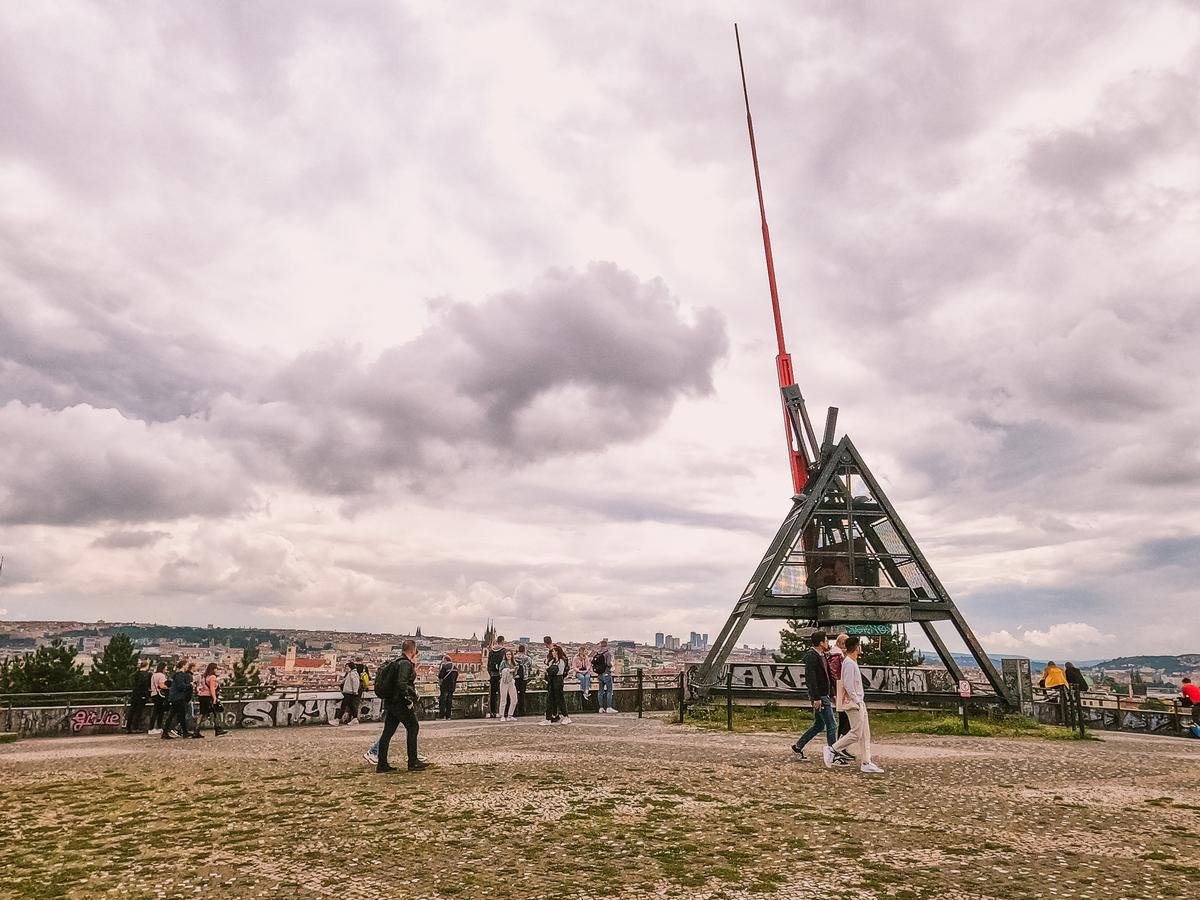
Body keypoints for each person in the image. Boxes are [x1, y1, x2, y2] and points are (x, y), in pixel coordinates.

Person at [826, 636, 884, 774]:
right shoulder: (849, 663)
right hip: (853, 703)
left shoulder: (851, 662)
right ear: (856, 647)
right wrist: (856, 700)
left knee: (865, 734)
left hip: (858, 702)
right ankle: (832, 749)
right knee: (856, 733)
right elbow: (848, 684)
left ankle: (866, 762)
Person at [376, 640, 429, 773]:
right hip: (400, 703)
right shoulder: (405, 664)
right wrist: (411, 698)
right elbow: (402, 684)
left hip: (391, 702)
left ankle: (382, 764)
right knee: (413, 727)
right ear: (412, 650)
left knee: (387, 733)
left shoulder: (397, 662)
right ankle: (413, 762)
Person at [790, 632, 836, 761]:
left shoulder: (820, 656)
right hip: (820, 696)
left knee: (819, 725)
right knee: (832, 725)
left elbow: (826, 677)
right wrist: (816, 697)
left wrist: (831, 693)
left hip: (823, 695)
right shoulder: (812, 657)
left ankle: (798, 746)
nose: (827, 643)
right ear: (821, 643)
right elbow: (811, 679)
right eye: (826, 641)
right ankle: (833, 753)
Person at [163, 661, 198, 740]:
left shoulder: (177, 675)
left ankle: (166, 732)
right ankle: (184, 732)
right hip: (178, 697)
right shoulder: (180, 675)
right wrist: (190, 685)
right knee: (181, 715)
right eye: (186, 665)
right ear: (183, 666)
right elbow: (181, 687)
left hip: (175, 697)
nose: (187, 667)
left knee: (173, 715)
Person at [827, 633, 852, 739]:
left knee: (844, 718)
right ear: (841, 644)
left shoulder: (835, 655)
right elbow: (835, 674)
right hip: (840, 690)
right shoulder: (837, 656)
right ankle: (841, 744)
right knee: (846, 719)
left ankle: (840, 744)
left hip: (839, 690)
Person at [540, 644, 571, 726]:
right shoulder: (552, 661)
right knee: (550, 699)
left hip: (557, 680)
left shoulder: (561, 661)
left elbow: (557, 671)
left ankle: (566, 716)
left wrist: (548, 670)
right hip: (552, 680)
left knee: (559, 698)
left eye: (553, 651)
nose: (552, 652)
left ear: (557, 652)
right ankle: (548, 718)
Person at [195, 663, 229, 737]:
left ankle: (196, 730)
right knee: (215, 713)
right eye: (216, 668)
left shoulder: (204, 676)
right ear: (213, 669)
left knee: (202, 713)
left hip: (202, 696)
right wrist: (214, 698)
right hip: (208, 697)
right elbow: (212, 689)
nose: (217, 670)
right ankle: (218, 730)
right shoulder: (212, 677)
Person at [126, 660, 152, 734]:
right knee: (138, 711)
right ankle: (135, 727)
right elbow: (146, 685)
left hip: (135, 695)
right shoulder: (146, 675)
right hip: (142, 695)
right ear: (147, 666)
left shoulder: (135, 674)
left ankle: (128, 727)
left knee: (132, 710)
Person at [592, 639, 616, 713]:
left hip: (600, 674)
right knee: (609, 690)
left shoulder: (598, 652)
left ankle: (601, 708)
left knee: (600, 691)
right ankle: (608, 707)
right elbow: (608, 663)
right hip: (606, 673)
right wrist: (612, 665)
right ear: (607, 645)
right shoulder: (607, 653)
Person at [486, 636, 507, 719]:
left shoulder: (491, 651)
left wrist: (490, 673)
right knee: (502, 694)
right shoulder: (503, 651)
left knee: (493, 694)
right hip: (501, 675)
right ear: (502, 641)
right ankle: (502, 712)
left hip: (493, 675)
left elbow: (488, 665)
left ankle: (493, 712)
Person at [148, 661, 169, 735]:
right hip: (159, 695)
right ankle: (156, 727)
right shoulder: (161, 675)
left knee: (156, 711)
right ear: (163, 668)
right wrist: (168, 687)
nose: (166, 669)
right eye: (165, 668)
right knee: (159, 712)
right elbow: (162, 685)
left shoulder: (154, 675)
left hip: (154, 694)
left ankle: (152, 728)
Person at [498, 650, 519, 721]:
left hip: (511, 681)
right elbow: (500, 672)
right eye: (507, 654)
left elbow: (515, 673)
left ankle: (510, 715)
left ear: (512, 655)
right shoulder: (503, 662)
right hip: (504, 681)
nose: (508, 655)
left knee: (514, 699)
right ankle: (502, 715)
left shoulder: (514, 663)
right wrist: (509, 670)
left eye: (510, 654)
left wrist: (514, 670)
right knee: (503, 699)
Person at [437, 655, 459, 720]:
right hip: (452, 686)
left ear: (446, 660)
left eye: (443, 660)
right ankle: (448, 716)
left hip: (445, 686)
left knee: (443, 701)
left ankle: (441, 716)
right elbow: (457, 676)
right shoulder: (455, 667)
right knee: (449, 701)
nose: (443, 661)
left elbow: (440, 676)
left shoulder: (445, 666)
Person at [514, 644, 531, 717]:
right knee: (522, 694)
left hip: (515, 677)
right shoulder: (527, 658)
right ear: (524, 650)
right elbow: (530, 665)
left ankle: (514, 711)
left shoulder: (514, 657)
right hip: (524, 678)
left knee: (514, 694)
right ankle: (522, 711)